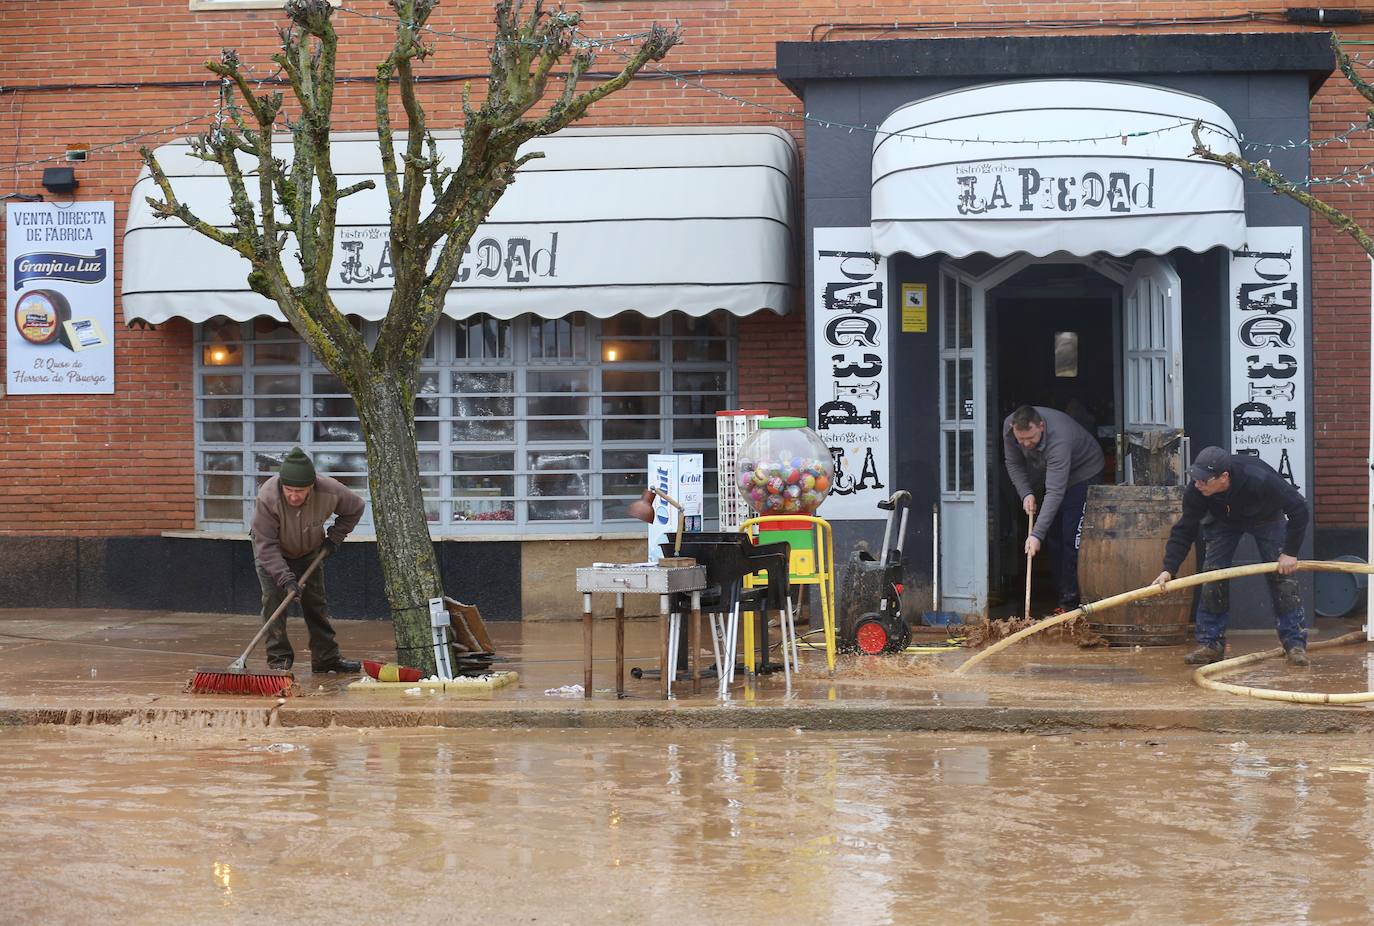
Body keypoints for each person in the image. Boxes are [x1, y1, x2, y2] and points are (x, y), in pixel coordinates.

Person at [1152, 446, 1310, 667]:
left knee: (1283, 578)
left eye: (1204, 480)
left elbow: (1299, 509)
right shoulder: (1197, 490)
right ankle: (1211, 644)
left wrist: (1290, 553)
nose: (1198, 484)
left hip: (1266, 518)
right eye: (1196, 479)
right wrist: (1169, 569)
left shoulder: (1259, 477)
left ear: (1223, 477)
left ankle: (1294, 644)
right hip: (1222, 521)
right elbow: (1184, 529)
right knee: (1212, 576)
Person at [251, 447, 365, 673]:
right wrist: (285, 579)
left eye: (300, 491)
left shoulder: (330, 490)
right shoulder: (268, 496)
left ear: (311, 486)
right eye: (289, 490)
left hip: (310, 551)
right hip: (273, 552)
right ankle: (279, 661)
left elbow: (356, 508)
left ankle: (326, 658)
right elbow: (266, 545)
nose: (293, 496)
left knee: (316, 604)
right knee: (274, 603)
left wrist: (335, 537)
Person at [1002, 404, 1104, 612]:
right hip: (1048, 473)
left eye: (1031, 438)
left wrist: (1035, 535)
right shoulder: (1009, 429)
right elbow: (1013, 464)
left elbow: (1055, 492)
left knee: (1071, 538)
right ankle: (1061, 593)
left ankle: (1070, 603)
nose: (1026, 444)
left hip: (1082, 473)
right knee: (1055, 538)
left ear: (1041, 426)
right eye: (1021, 440)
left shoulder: (1059, 439)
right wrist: (1026, 493)